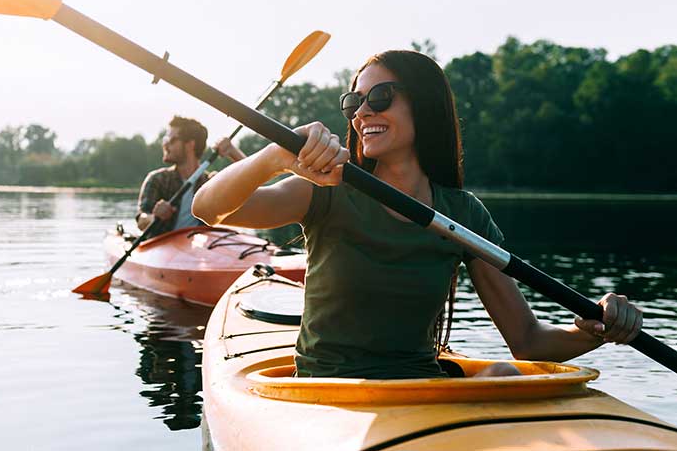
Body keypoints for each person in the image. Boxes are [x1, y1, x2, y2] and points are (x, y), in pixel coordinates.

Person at [192, 50, 643, 379]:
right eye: (355, 103)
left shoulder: (463, 214)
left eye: (381, 96)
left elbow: (527, 340)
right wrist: (274, 156)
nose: (363, 111)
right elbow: (208, 208)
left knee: (504, 373)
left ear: (423, 104)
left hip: (420, 390)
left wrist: (598, 328)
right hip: (327, 392)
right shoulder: (326, 189)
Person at [136, 115, 245, 238]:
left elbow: (253, 183)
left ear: (190, 145)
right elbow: (141, 220)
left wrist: (232, 152)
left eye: (171, 140)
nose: (165, 145)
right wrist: (154, 217)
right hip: (161, 247)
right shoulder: (157, 179)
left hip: (199, 250)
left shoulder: (211, 183)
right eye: (165, 140)